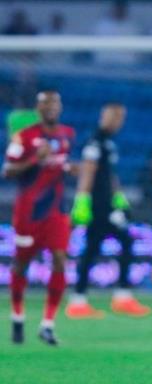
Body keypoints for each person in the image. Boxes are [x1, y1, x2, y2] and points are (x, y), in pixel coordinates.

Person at [3, 90, 75, 346]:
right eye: (46, 104)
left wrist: (70, 169)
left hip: (56, 211)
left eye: (55, 103)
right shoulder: (24, 136)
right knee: (21, 264)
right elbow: (8, 171)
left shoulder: (67, 135)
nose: (51, 107)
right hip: (28, 212)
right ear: (38, 108)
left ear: (60, 107)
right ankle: (18, 316)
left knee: (59, 260)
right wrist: (35, 159)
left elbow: (62, 166)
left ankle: (47, 324)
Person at [65, 103, 151, 318]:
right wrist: (82, 200)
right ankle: (104, 299)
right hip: (98, 207)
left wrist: (118, 197)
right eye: (116, 117)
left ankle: (86, 300)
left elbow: (108, 174)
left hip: (107, 205)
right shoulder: (96, 142)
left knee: (100, 247)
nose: (118, 121)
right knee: (112, 245)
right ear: (106, 117)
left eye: (120, 117)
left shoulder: (107, 143)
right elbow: (88, 171)